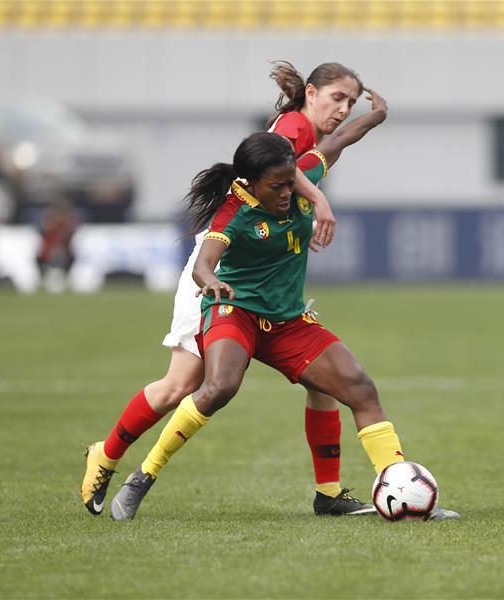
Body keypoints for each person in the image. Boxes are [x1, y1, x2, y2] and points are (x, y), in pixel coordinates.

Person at [109, 131, 459, 521]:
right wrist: (211, 283)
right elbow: (203, 263)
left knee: (360, 387)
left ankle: (399, 488)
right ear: (251, 183)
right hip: (234, 311)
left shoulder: (297, 178)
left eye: (291, 183)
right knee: (220, 387)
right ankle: (143, 477)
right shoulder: (234, 211)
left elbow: (335, 144)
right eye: (276, 186)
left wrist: (374, 117)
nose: (287, 193)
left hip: (287, 320)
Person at [81, 62, 380, 517]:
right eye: (338, 98)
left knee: (323, 386)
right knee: (181, 384)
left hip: (260, 280)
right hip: (224, 270)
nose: (343, 109)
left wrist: (373, 119)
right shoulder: (294, 126)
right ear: (312, 93)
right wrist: (317, 199)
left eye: (351, 103)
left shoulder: (304, 133)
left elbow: (328, 150)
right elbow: (286, 171)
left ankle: (329, 492)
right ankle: (106, 454)